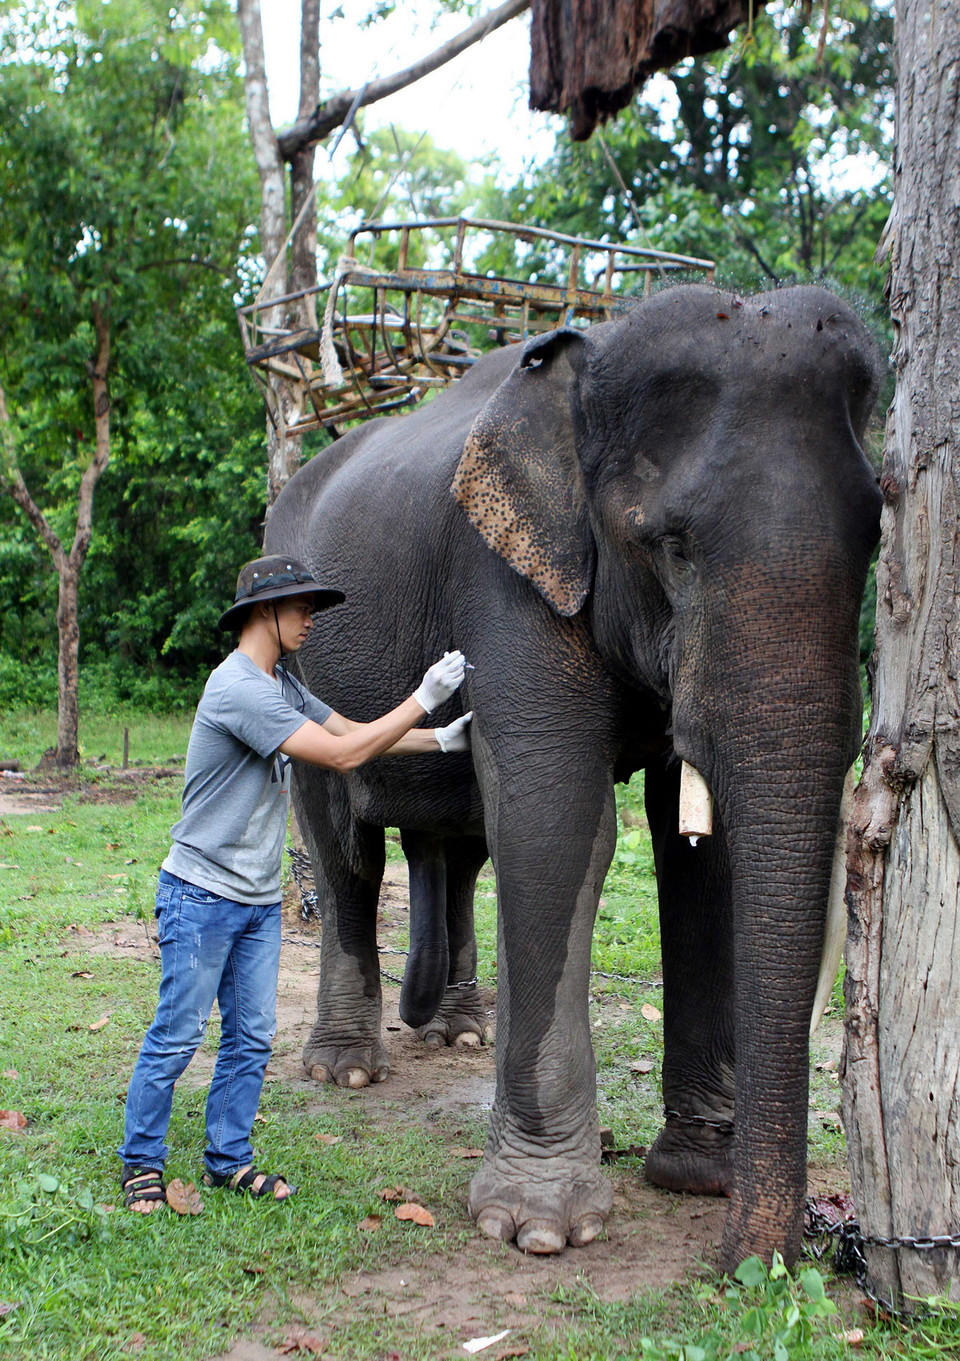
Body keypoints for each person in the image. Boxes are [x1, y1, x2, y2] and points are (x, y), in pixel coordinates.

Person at [119, 556, 471, 1212]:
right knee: (179, 1031)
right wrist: (424, 695)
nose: (311, 619)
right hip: (200, 893)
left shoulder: (280, 684)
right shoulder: (238, 688)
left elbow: (351, 732)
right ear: (262, 612)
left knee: (252, 1035)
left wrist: (438, 740)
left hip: (253, 898)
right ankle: (141, 1160)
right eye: (301, 607)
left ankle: (228, 1158)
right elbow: (342, 757)